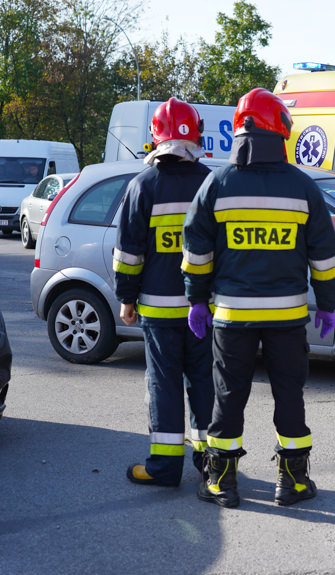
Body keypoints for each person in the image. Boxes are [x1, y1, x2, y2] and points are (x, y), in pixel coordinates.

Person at [182, 87, 335, 509]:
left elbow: (197, 252)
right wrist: (328, 303)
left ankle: (221, 482)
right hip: (287, 317)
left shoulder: (216, 183)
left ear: (240, 130)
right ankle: (292, 482)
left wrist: (196, 298)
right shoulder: (303, 187)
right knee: (289, 394)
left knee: (228, 395)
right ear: (280, 131)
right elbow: (324, 255)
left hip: (231, 316)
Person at [113, 97, 215, 487]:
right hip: (203, 309)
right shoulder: (211, 183)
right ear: (196, 137)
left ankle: (164, 466)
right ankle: (211, 464)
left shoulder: (142, 186)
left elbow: (128, 254)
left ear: (155, 139)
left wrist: (127, 298)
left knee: (164, 384)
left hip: (157, 309)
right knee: (204, 382)